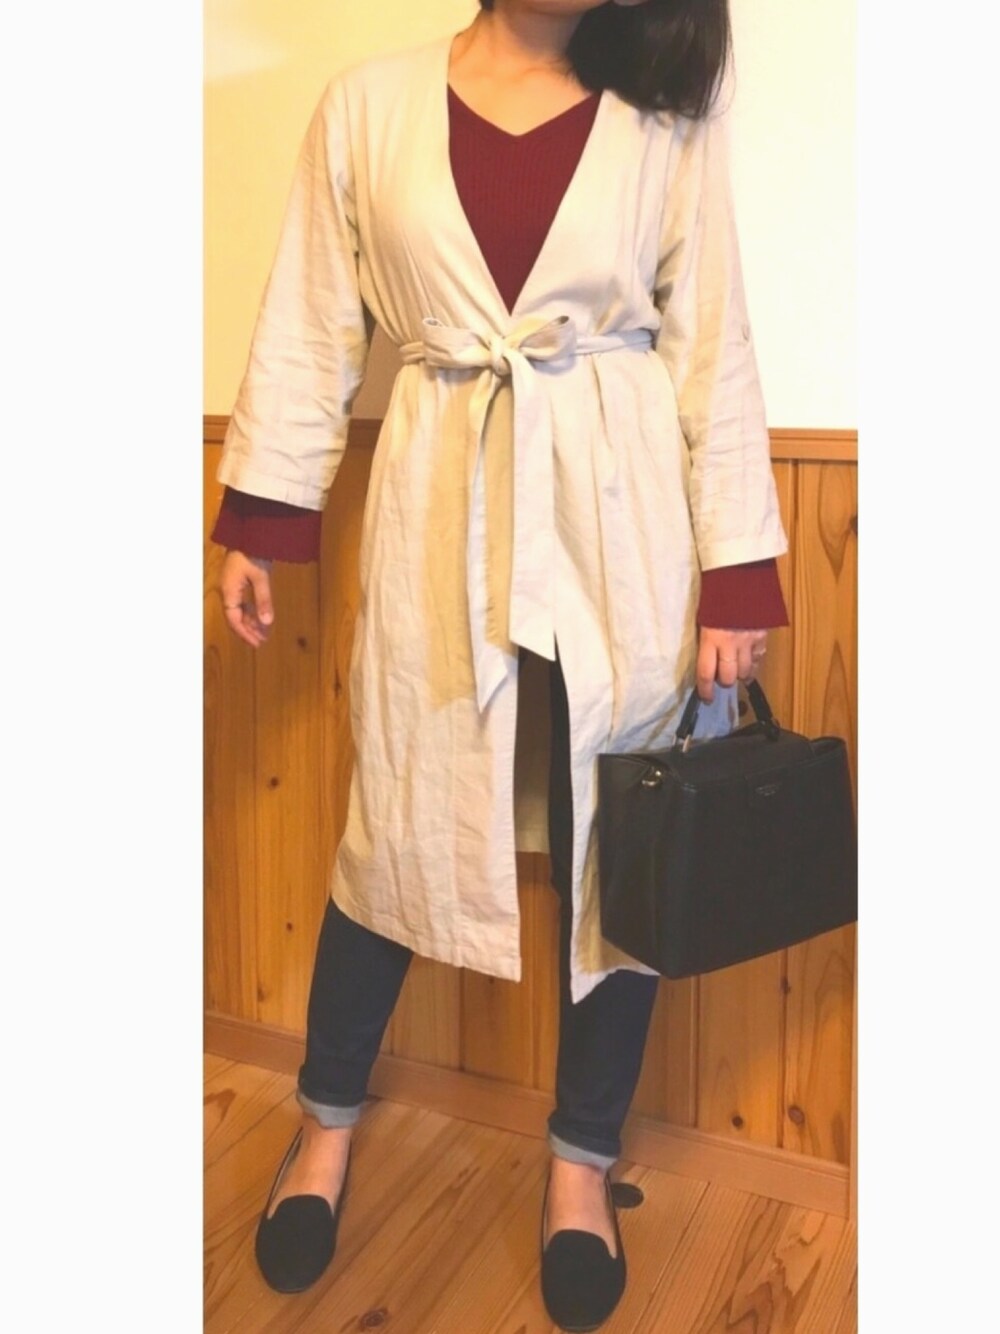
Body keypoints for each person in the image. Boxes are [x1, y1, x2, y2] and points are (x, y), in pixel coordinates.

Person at [211, 1, 788, 1326]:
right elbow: (310, 320)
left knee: (616, 855)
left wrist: (740, 570)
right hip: (441, 513)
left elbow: (712, 344)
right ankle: (324, 1128)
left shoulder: (661, 119)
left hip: (616, 522)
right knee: (395, 831)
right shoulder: (368, 106)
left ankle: (582, 1164)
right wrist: (264, 514)